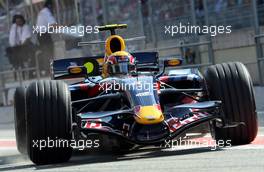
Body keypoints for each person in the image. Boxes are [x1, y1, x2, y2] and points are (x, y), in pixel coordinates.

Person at [7, 14, 34, 80]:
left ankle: (19, 67)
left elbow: (27, 39)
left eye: (19, 21)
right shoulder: (16, 28)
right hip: (20, 48)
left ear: (22, 21)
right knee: (12, 52)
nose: (18, 23)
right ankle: (15, 66)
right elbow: (13, 41)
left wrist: (20, 46)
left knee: (19, 54)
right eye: (17, 22)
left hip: (28, 46)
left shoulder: (26, 27)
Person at [36, 0, 58, 76]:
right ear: (50, 6)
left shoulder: (42, 12)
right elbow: (53, 24)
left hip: (40, 35)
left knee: (46, 52)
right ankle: (49, 70)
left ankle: (46, 70)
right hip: (44, 35)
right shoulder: (47, 12)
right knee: (49, 52)